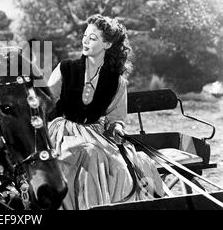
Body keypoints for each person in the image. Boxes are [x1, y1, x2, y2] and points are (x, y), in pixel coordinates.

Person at [47, 14, 164, 210]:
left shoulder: (116, 81)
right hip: (62, 132)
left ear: (107, 45)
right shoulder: (65, 69)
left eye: (92, 38)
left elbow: (116, 118)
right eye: (85, 36)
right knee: (90, 154)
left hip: (96, 133)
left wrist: (116, 127)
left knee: (119, 167)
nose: (85, 41)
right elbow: (43, 102)